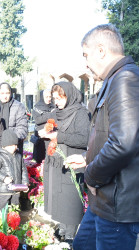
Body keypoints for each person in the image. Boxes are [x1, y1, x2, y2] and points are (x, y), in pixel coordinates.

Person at [66, 24, 139, 250]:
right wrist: (89, 158)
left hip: (120, 205)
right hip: (106, 200)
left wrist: (91, 174)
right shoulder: (116, 79)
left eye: (86, 55)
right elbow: (113, 136)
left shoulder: (127, 79)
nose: (85, 63)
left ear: (101, 50)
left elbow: (123, 144)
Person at [38, 82, 90, 244]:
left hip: (72, 162)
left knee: (70, 199)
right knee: (58, 197)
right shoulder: (56, 112)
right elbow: (50, 127)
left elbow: (84, 139)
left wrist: (57, 136)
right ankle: (61, 228)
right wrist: (47, 133)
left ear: (69, 95)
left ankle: (70, 235)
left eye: (60, 98)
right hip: (56, 161)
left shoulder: (81, 113)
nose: (57, 102)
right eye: (54, 99)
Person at [0, 129, 29, 209]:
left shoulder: (18, 156)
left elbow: (23, 169)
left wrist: (25, 183)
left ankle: (14, 221)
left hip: (16, 190)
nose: (15, 147)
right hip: (4, 191)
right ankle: (3, 221)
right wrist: (4, 178)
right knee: (4, 211)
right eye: (12, 145)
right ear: (5, 145)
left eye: (16, 144)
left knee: (15, 210)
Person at [0, 82, 28, 153]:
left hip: (13, 147)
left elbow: (22, 128)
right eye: (2, 93)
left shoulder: (19, 106)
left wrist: (10, 142)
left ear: (10, 93)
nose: (5, 96)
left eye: (7, 93)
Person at [32, 89, 54, 163]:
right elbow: (38, 120)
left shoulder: (53, 107)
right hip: (40, 137)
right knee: (40, 158)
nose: (48, 99)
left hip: (50, 136)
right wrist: (50, 116)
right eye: (46, 97)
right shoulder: (37, 107)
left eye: (50, 97)